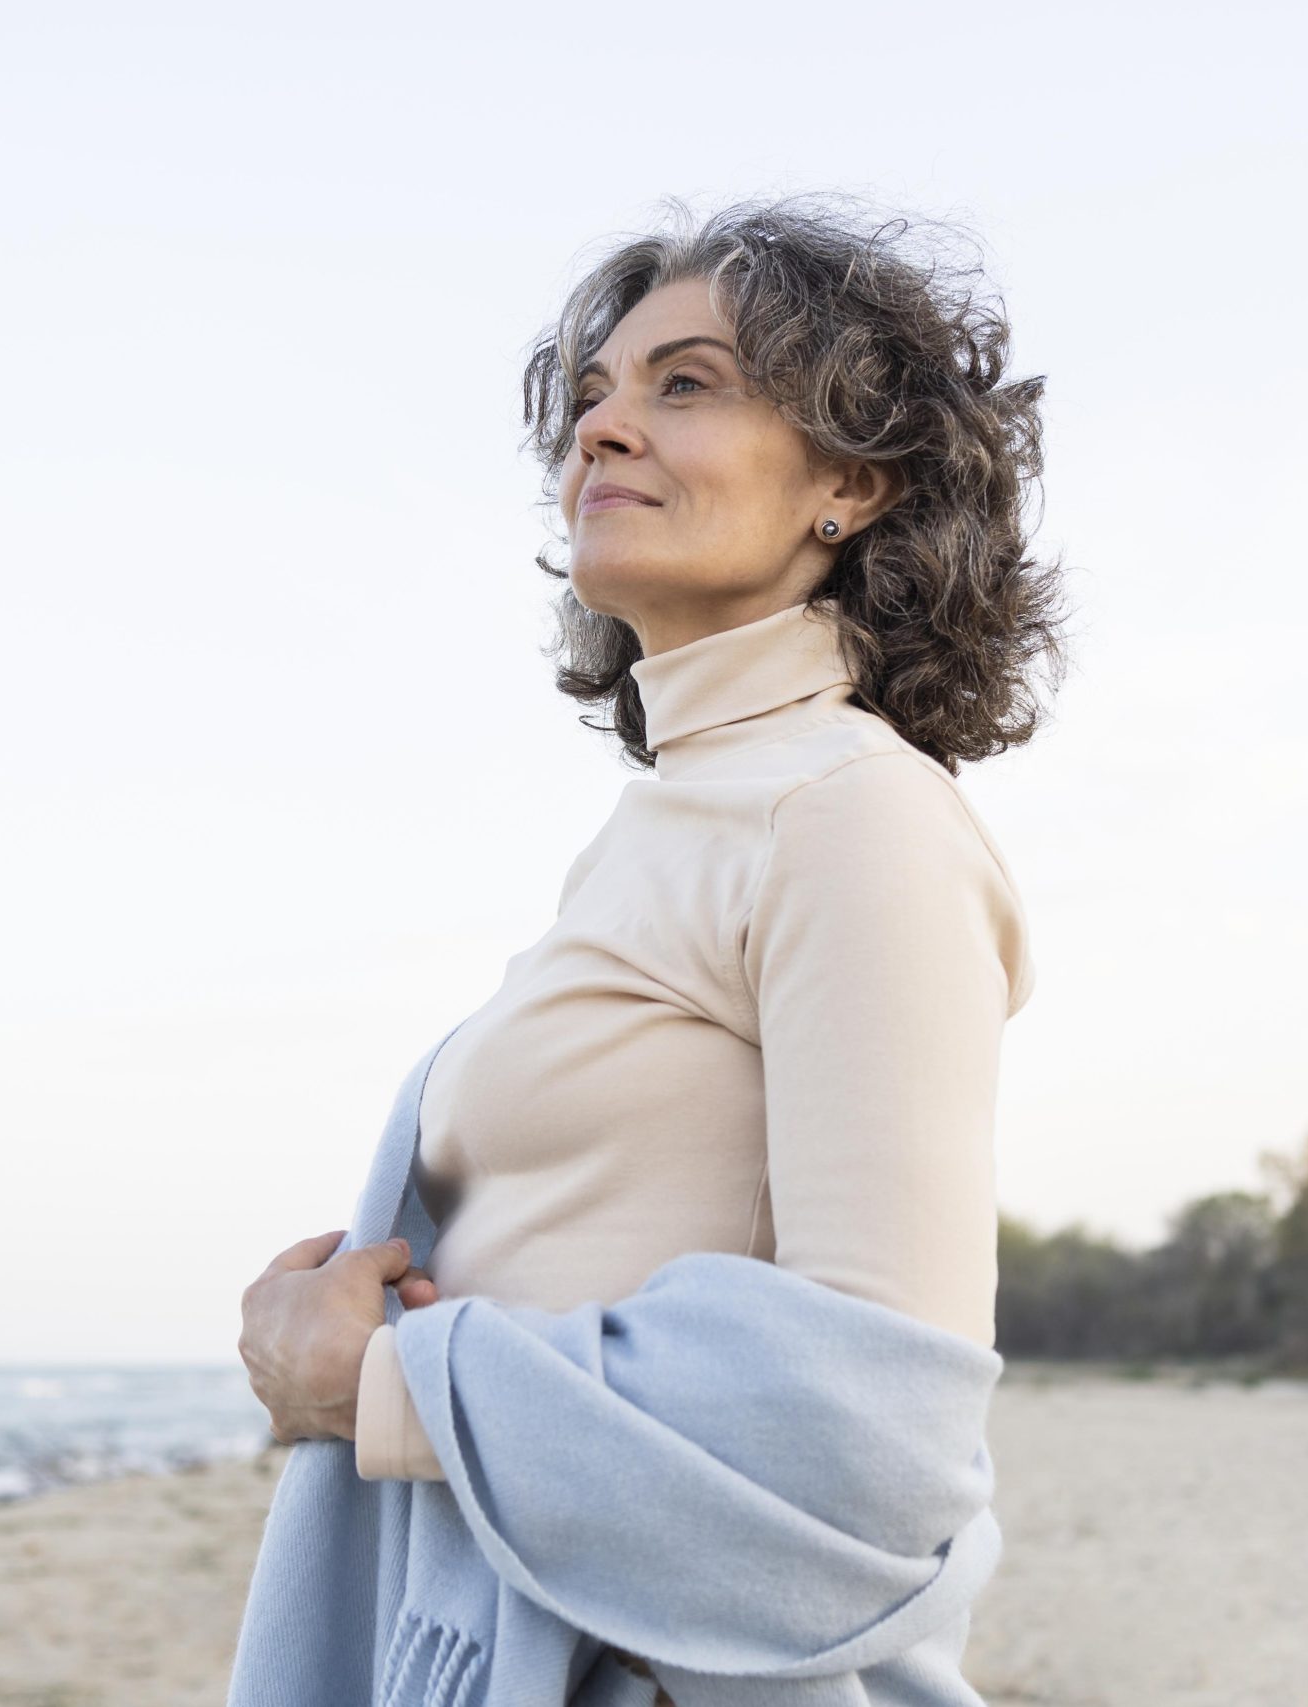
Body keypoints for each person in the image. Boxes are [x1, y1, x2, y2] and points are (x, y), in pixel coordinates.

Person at [235, 191, 1068, 1705]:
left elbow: (882, 1430)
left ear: (854, 483)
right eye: (597, 393)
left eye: (686, 384)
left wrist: (369, 1382)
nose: (604, 429)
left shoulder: (850, 816)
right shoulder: (671, 826)